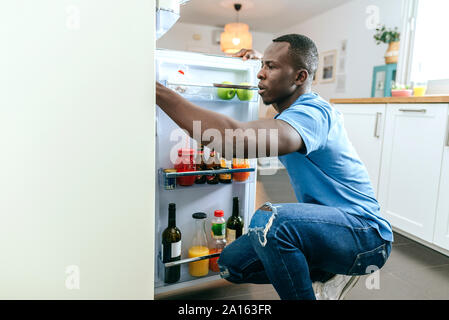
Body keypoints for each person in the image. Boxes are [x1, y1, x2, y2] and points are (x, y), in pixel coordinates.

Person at [156, 34, 393, 300]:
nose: (260, 74)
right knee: (231, 264)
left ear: (300, 77)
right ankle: (326, 272)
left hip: (367, 236)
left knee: (270, 221)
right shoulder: (293, 111)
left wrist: (160, 92)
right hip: (329, 229)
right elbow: (282, 91)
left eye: (271, 67)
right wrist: (270, 64)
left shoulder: (314, 113)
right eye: (263, 66)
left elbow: (236, 141)